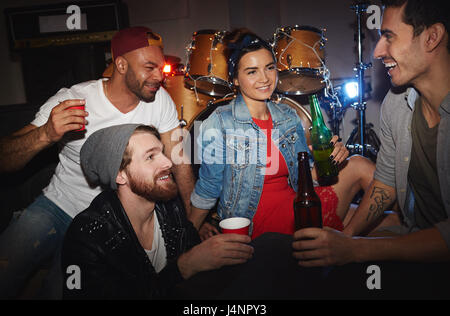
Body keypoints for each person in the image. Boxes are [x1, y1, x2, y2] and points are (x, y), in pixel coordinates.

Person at [0, 26, 194, 299]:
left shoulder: (160, 101)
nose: (158, 77)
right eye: (149, 68)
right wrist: (46, 133)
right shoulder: (74, 99)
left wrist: (192, 220)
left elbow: (179, 158)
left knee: (62, 291)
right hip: (59, 206)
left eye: (159, 68)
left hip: (108, 224)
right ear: (121, 64)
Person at [292, 0, 449, 269]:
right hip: (413, 237)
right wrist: (344, 240)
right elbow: (386, 182)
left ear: (431, 37)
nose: (377, 51)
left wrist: (356, 250)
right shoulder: (397, 103)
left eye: (388, 37)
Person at [188, 29, 376, 240]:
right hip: (256, 229)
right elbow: (208, 189)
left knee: (386, 213)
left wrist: (332, 160)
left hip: (299, 210)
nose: (265, 78)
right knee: (362, 175)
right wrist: (189, 239)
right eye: (252, 72)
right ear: (236, 79)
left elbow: (305, 179)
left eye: (269, 68)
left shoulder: (287, 116)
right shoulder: (219, 122)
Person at [62, 124, 253, 299]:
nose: (168, 163)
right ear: (119, 175)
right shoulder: (87, 236)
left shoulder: (169, 205)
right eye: (150, 157)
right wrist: (184, 267)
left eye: (162, 152)